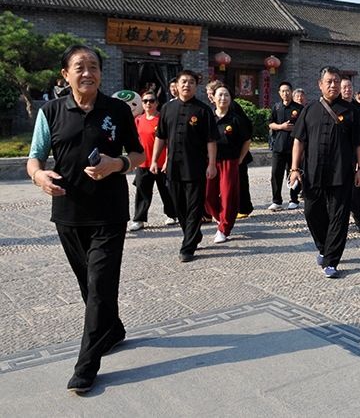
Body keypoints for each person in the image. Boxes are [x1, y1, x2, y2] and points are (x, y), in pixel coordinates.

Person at [27, 44, 145, 393]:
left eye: (93, 66)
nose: (87, 73)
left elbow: (137, 153)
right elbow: (35, 157)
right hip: (67, 212)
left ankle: (86, 366)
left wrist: (116, 164)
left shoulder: (117, 110)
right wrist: (38, 177)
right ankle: (114, 330)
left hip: (109, 212)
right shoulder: (50, 111)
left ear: (100, 73)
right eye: (79, 67)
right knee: (88, 284)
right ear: (66, 74)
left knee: (100, 285)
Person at [289, 66, 360, 279]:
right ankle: (323, 246)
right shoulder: (310, 109)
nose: (333, 85)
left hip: (342, 173)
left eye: (336, 81)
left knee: (339, 217)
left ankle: (331, 260)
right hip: (313, 173)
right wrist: (295, 168)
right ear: (320, 84)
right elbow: (298, 141)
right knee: (312, 212)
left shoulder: (351, 111)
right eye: (329, 81)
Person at [151, 69, 219, 263]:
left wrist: (212, 165)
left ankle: (187, 247)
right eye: (183, 81)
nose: (186, 85)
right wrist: (155, 160)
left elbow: (211, 140)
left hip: (196, 167)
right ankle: (194, 235)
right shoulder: (166, 109)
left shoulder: (203, 110)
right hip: (173, 168)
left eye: (191, 82)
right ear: (177, 85)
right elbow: (160, 137)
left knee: (194, 208)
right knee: (179, 205)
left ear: (195, 86)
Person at [205, 82, 251, 243]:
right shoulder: (208, 118)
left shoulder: (236, 119)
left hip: (230, 162)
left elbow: (247, 140)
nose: (223, 98)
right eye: (220, 95)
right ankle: (221, 217)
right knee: (207, 196)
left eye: (226, 95)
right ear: (213, 98)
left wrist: (240, 158)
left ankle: (224, 229)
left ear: (231, 99)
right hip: (210, 161)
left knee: (228, 195)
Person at [129, 90, 178, 231]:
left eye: (151, 101)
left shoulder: (162, 119)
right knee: (142, 191)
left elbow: (169, 142)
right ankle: (139, 219)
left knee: (166, 190)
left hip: (161, 162)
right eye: (145, 101)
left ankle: (171, 215)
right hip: (143, 162)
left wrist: (167, 160)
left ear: (157, 103)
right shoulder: (138, 119)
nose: (148, 103)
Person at [268, 82, 303, 211]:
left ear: (291, 91)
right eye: (282, 91)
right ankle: (276, 200)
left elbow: (304, 126)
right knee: (276, 174)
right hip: (279, 146)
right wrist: (281, 127)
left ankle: (294, 199)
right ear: (279, 93)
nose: (285, 93)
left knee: (293, 172)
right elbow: (270, 124)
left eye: (287, 91)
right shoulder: (277, 108)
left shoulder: (299, 108)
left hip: (294, 147)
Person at [341, 79, 360, 233]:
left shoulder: (359, 108)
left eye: (350, 87)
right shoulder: (336, 106)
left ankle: (359, 216)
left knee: (357, 189)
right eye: (344, 87)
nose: (347, 89)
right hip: (340, 153)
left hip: (356, 152)